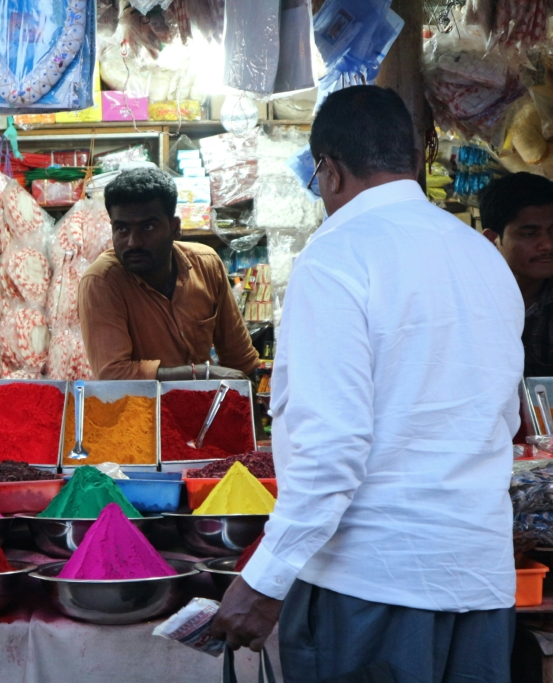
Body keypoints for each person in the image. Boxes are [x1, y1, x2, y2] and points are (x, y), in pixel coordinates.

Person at [210, 85, 523, 683]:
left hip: (373, 584)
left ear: (328, 171)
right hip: (478, 579)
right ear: (411, 159)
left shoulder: (336, 257)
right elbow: (500, 422)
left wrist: (267, 577)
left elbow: (330, 446)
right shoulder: (482, 257)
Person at [77, 167, 259, 381]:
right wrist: (200, 373)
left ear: (175, 228)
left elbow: (240, 358)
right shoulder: (102, 282)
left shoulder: (206, 264)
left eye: (148, 227)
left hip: (206, 407)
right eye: (122, 229)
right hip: (137, 410)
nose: (133, 242)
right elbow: (113, 375)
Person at [480, 172, 553, 378]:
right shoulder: (471, 297)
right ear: (492, 240)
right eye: (529, 234)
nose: (547, 245)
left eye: (552, 232)